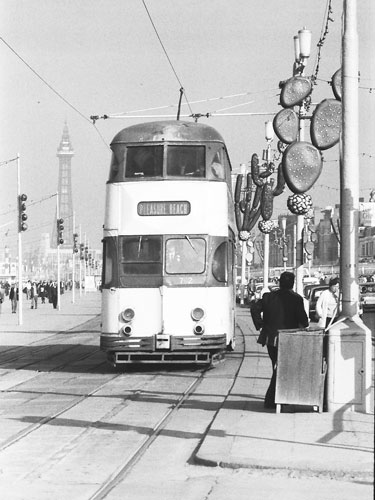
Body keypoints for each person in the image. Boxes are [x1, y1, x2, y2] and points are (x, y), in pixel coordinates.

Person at [250, 271, 309, 409]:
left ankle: (278, 397)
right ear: (293, 284)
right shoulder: (297, 299)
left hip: (271, 339)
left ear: (279, 282)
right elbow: (304, 321)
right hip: (289, 339)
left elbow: (254, 309)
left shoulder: (268, 297)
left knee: (276, 366)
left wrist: (260, 325)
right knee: (283, 368)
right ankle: (272, 399)